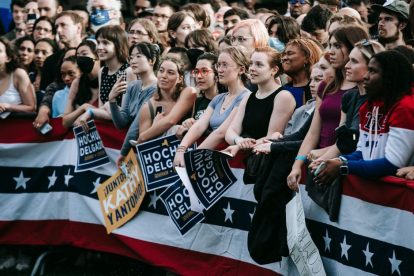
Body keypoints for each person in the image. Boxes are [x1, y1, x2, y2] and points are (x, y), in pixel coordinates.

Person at [286, 25, 370, 191]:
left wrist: (326, 155)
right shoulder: (325, 86)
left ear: (353, 47)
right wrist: (297, 163)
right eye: (330, 45)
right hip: (317, 163)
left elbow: (349, 139)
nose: (331, 51)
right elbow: (313, 132)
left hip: (337, 166)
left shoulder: (361, 89)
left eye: (337, 46)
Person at [312, 50, 414, 186]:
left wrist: (344, 166)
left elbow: (393, 163)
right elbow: (362, 152)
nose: (366, 76)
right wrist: (338, 160)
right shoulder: (368, 107)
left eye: (372, 71)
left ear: (390, 76)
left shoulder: (405, 107)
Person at [309, 39, 385, 170]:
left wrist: (337, 161)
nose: (347, 66)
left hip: (365, 170)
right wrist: (322, 161)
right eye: (349, 60)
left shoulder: (380, 101)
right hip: (346, 166)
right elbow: (342, 142)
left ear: (371, 66)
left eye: (354, 61)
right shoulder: (349, 97)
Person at [173, 46, 251, 166]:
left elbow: (221, 133)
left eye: (225, 65)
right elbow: (199, 126)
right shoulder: (218, 98)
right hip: (211, 159)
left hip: (231, 163)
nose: (219, 69)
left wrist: (193, 157)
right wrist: (181, 149)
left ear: (241, 70)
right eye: (218, 65)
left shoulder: (245, 97)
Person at [223, 47, 296, 157]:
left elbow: (271, 137)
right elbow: (230, 131)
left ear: (274, 70)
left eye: (259, 64)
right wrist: (238, 140)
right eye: (251, 64)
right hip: (243, 156)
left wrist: (239, 147)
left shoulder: (283, 97)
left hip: (263, 159)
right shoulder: (248, 97)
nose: (252, 68)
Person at [74, 25, 136, 132]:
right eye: (98, 42)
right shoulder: (102, 71)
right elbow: (101, 108)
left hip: (125, 133)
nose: (99, 47)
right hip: (108, 131)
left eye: (106, 43)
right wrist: (105, 107)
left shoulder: (128, 71)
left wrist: (90, 112)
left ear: (118, 45)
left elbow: (125, 116)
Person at [110, 42, 160, 167]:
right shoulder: (132, 85)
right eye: (131, 57)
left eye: (138, 56)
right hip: (135, 148)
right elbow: (121, 122)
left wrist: (123, 153)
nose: (133, 61)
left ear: (152, 60)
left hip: (149, 150)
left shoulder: (157, 88)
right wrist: (112, 100)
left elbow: (136, 126)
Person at [137, 55, 197, 144]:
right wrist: (153, 127)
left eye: (170, 73)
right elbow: (142, 145)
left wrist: (152, 130)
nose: (164, 76)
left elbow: (171, 120)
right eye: (161, 71)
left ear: (180, 79)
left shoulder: (189, 92)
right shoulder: (148, 106)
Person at [175, 52, 221, 140]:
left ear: (216, 75)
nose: (199, 76)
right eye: (196, 72)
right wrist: (188, 123)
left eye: (204, 71)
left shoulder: (225, 99)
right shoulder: (198, 100)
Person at [62, 40, 101, 129]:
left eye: (84, 54)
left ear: (97, 56)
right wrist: (83, 108)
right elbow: (65, 122)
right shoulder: (77, 83)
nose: (80, 59)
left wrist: (89, 113)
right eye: (78, 56)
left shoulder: (108, 79)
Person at [281, 38, 322, 108]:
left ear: (307, 58)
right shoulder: (283, 89)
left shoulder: (317, 89)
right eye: (284, 54)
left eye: (290, 54)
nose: (284, 58)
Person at [0, 37, 35, 114]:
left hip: (16, 124)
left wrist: (6, 106)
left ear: (8, 58)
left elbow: (31, 108)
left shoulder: (19, 74)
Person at [30, 38, 58, 103]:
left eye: (44, 53)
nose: (39, 56)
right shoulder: (28, 77)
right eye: (36, 52)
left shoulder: (58, 80)